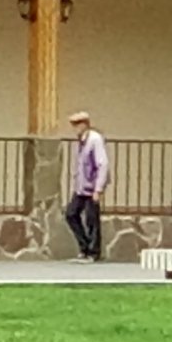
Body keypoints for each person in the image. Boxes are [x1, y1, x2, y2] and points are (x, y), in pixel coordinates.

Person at [66, 111, 109, 263]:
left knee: (92, 219)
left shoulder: (95, 139)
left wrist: (98, 188)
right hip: (81, 187)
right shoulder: (82, 141)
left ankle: (93, 253)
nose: (75, 128)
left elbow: (102, 164)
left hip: (91, 187)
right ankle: (84, 247)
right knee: (71, 214)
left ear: (85, 124)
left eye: (77, 124)